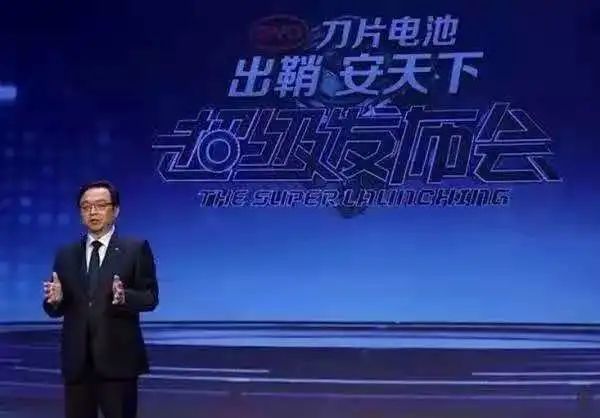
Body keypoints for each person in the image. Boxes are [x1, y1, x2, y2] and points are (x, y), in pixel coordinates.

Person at [42, 180, 159, 418]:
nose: (93, 212)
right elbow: (56, 307)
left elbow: (150, 297)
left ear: (115, 210)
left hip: (118, 363)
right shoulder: (66, 254)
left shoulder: (135, 249)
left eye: (100, 205)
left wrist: (124, 296)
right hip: (78, 364)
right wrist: (55, 301)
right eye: (86, 207)